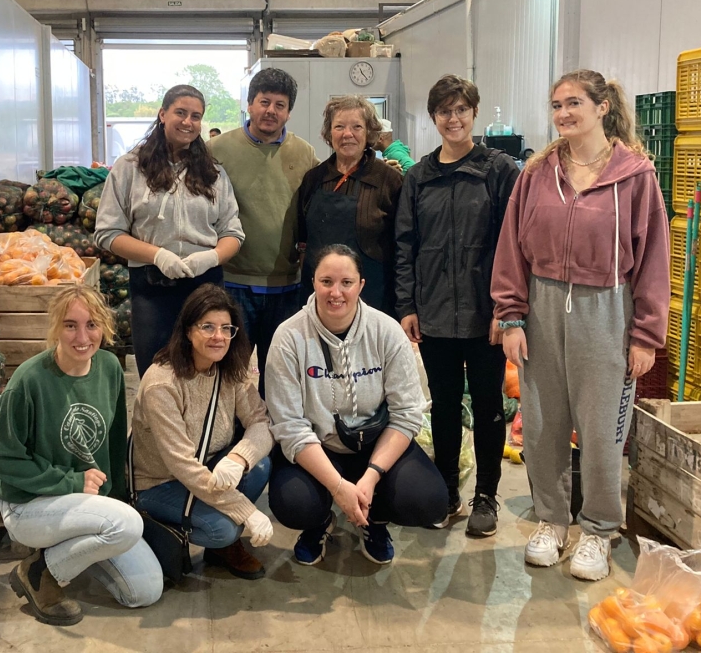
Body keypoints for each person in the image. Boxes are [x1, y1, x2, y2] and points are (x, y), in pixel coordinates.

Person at [491, 69, 670, 582]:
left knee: (600, 431)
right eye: (556, 105)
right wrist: (511, 316)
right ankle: (552, 521)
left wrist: (645, 335)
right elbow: (511, 250)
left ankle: (598, 529)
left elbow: (655, 259)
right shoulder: (538, 172)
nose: (563, 114)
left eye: (574, 103)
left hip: (607, 310)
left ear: (601, 108)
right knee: (543, 424)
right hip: (543, 307)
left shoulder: (635, 175)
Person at [0, 284, 162, 625]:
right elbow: (0, 458)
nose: (82, 336)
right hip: (28, 504)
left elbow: (112, 443)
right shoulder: (29, 381)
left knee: (144, 592)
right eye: (70, 325)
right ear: (55, 328)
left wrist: (117, 499)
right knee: (125, 526)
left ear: (104, 329)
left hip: (83, 500)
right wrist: (70, 481)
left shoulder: (109, 368)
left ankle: (63, 555)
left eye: (92, 324)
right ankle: (37, 571)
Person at [266, 244, 448, 566]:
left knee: (429, 500)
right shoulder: (288, 337)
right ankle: (319, 521)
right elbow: (290, 427)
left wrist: (372, 477)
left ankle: (373, 521)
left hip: (374, 445)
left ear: (361, 285)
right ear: (313, 283)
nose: (336, 292)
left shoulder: (387, 331)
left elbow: (407, 414)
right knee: (293, 504)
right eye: (326, 282)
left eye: (346, 282)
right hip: (318, 446)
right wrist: (338, 487)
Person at [395, 75, 519, 538]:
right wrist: (408, 304)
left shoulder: (499, 170)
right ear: (434, 118)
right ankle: (446, 492)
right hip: (433, 314)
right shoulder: (418, 177)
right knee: (444, 406)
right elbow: (405, 245)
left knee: (488, 404)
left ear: (474, 114)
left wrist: (506, 311)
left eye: (462, 110)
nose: (453, 119)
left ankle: (486, 495)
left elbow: (514, 244)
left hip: (485, 316)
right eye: (444, 111)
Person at [95, 84, 246, 376]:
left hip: (205, 287)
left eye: (196, 116)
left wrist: (211, 258)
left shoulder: (212, 172)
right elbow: (108, 232)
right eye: (181, 112)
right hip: (152, 287)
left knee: (205, 371)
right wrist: (158, 255)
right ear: (162, 114)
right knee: (156, 372)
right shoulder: (129, 167)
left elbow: (233, 232)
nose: (188, 122)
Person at [131, 284, 275, 580]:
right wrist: (246, 511)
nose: (218, 337)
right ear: (187, 330)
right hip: (161, 482)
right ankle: (163, 525)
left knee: (259, 466)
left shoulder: (231, 369)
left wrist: (239, 457)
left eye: (226, 328)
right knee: (224, 528)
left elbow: (261, 422)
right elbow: (181, 464)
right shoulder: (163, 383)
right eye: (207, 327)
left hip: (206, 468)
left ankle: (221, 541)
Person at [208, 68, 320, 396]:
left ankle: (272, 439)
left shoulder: (304, 154)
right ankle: (228, 439)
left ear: (289, 111)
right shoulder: (217, 149)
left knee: (280, 374)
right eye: (264, 102)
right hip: (233, 281)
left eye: (280, 105)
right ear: (250, 104)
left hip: (287, 285)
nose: (271, 111)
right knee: (228, 371)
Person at [297, 96, 403, 316]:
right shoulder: (313, 179)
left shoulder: (389, 180)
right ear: (329, 133)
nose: (348, 134)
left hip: (374, 300)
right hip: (320, 299)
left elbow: (403, 247)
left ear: (369, 132)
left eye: (357, 127)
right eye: (339, 127)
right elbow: (302, 239)